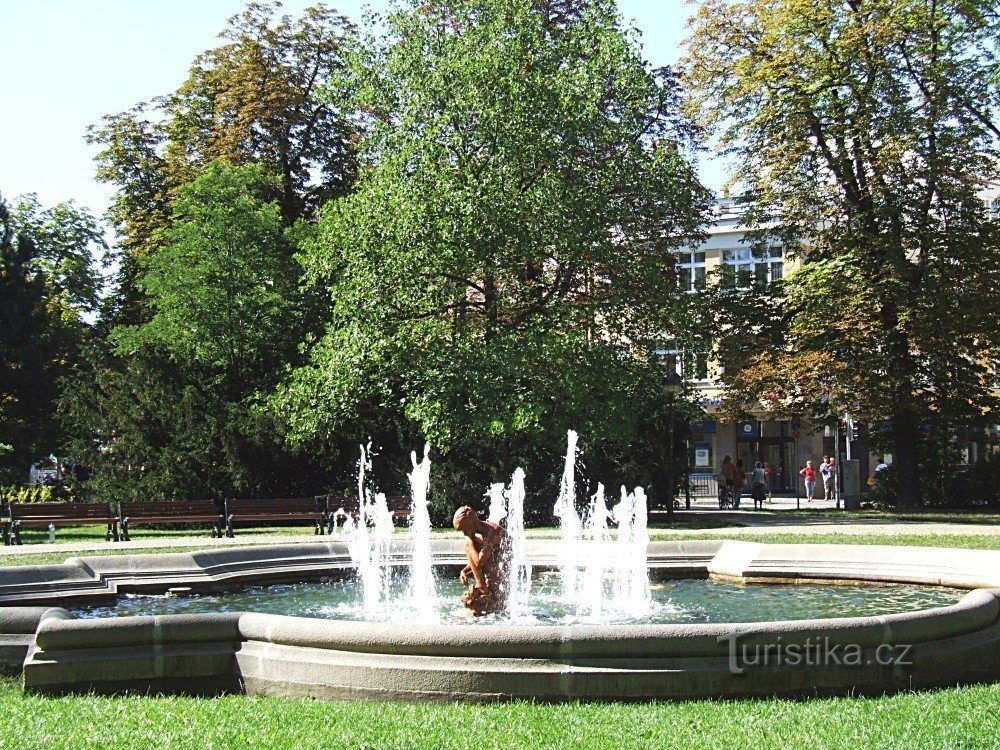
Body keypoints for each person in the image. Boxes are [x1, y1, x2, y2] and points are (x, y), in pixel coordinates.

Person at [452, 505, 512, 616]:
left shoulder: (492, 532)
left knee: (469, 544)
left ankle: (483, 589)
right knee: (470, 544)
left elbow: (479, 562)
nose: (464, 533)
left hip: (501, 570)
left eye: (464, 530)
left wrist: (469, 540)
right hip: (493, 564)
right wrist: (464, 571)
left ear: (471, 525)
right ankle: (483, 591)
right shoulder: (481, 531)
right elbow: (478, 561)